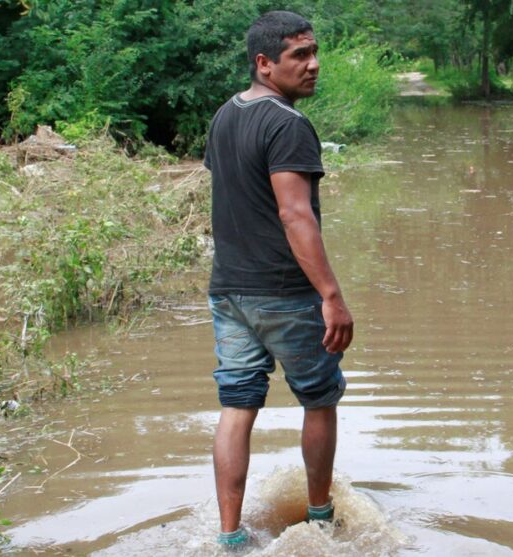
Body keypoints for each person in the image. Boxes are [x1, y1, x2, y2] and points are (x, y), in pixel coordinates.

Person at [202, 10, 353, 551]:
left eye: (314, 53)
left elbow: (232, 195)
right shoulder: (288, 124)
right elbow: (295, 215)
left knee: (237, 405)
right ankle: (320, 519)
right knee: (319, 398)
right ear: (265, 64)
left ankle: (229, 537)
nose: (313, 65)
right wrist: (331, 296)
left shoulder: (225, 115)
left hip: (229, 290)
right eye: (299, 56)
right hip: (286, 292)